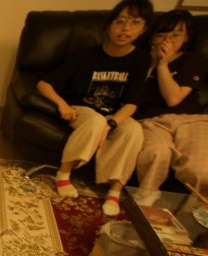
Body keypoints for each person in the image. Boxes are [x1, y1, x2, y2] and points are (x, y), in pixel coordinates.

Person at [37, 0, 153, 216]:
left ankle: (114, 192)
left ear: (143, 29)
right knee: (95, 121)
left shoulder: (141, 59)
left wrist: (112, 124)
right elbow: (44, 84)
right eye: (120, 21)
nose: (126, 28)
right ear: (108, 26)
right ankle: (63, 174)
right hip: (83, 109)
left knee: (134, 130)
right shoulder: (85, 55)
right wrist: (62, 104)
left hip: (114, 114)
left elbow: (132, 103)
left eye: (135, 23)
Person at [134, 10, 208, 204]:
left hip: (192, 120)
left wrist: (162, 65)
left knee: (198, 170)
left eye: (176, 35)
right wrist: (151, 64)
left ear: (186, 38)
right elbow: (131, 96)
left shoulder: (194, 60)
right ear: (152, 38)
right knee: (156, 153)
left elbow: (173, 99)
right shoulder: (139, 61)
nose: (168, 40)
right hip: (151, 121)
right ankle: (145, 198)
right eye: (162, 35)